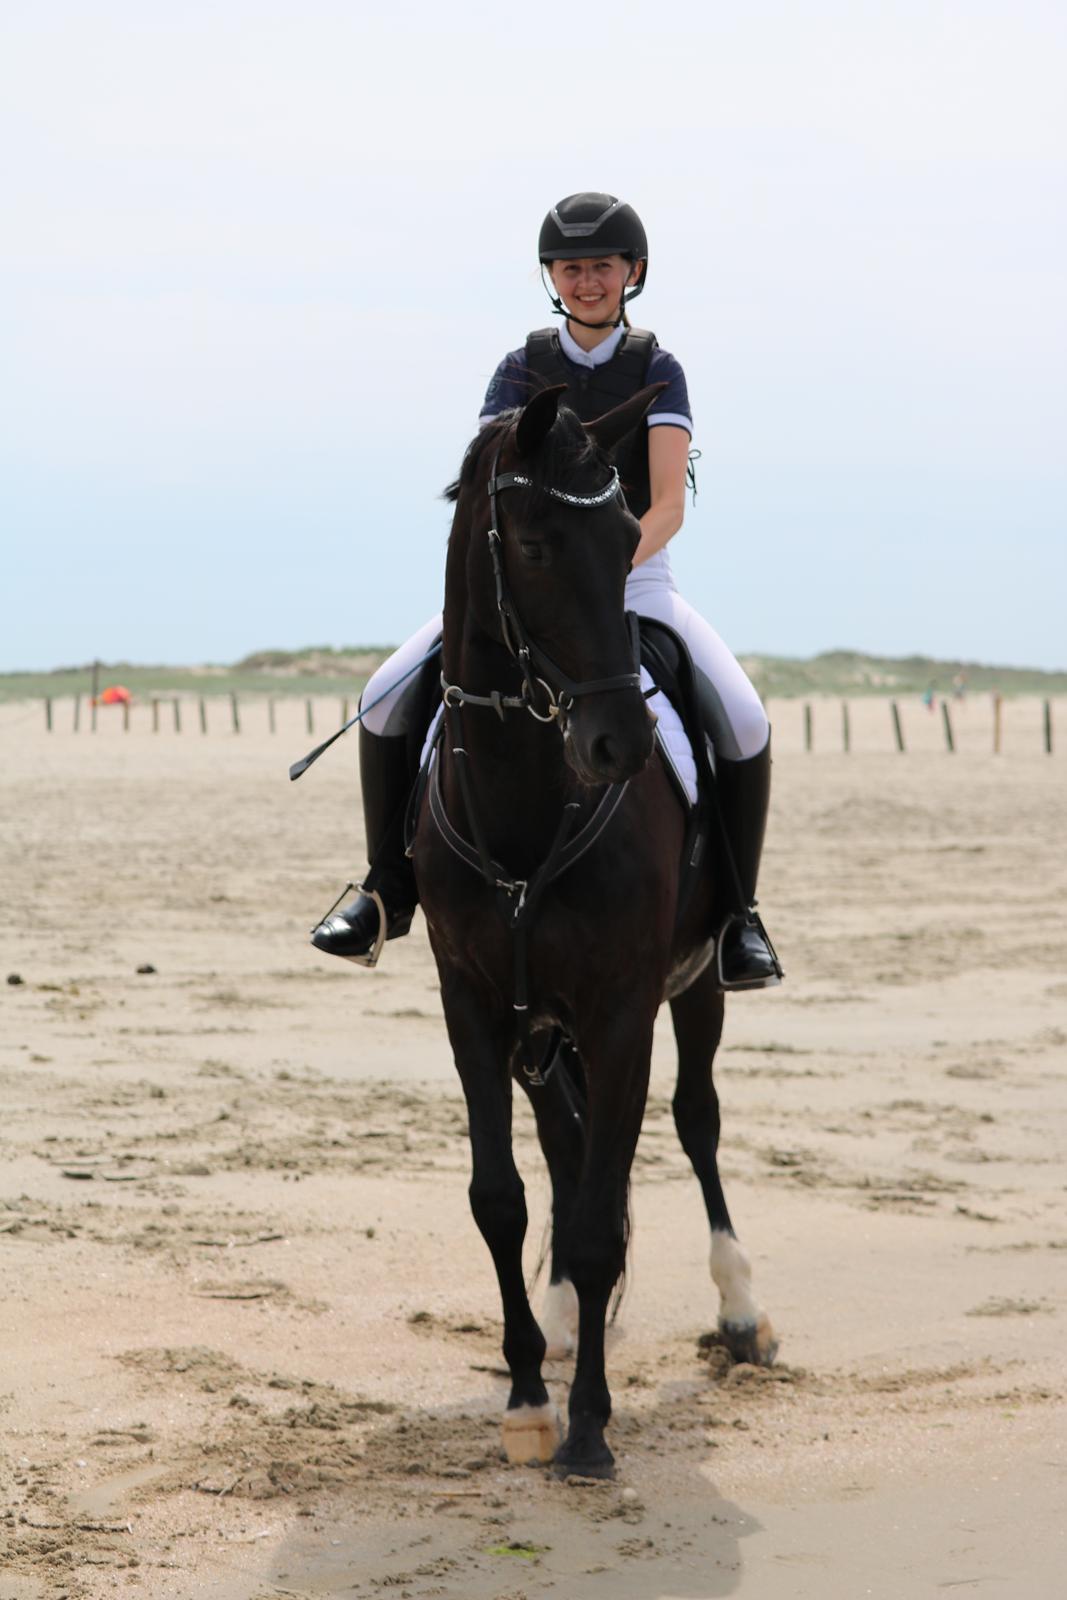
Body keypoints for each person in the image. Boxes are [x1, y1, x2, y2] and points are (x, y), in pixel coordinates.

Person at [312, 192, 780, 990]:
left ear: (632, 273)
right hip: (521, 584)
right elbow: (491, 486)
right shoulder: (519, 368)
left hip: (634, 580)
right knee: (385, 692)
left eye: (601, 266)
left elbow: (665, 505)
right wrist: (541, 574)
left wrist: (603, 570)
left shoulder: (658, 369)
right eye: (571, 268)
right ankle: (385, 888)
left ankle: (738, 915)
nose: (587, 281)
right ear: (551, 277)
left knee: (743, 719)